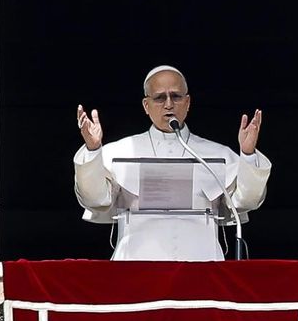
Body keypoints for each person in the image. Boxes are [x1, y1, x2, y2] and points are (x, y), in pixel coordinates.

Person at [74, 65, 271, 261]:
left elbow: (246, 202)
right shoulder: (119, 152)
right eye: (160, 98)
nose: (168, 104)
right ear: (146, 105)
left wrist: (247, 154)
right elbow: (95, 200)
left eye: (176, 96)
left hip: (203, 263)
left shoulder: (217, 154)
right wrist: (93, 150)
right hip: (136, 264)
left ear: (188, 102)